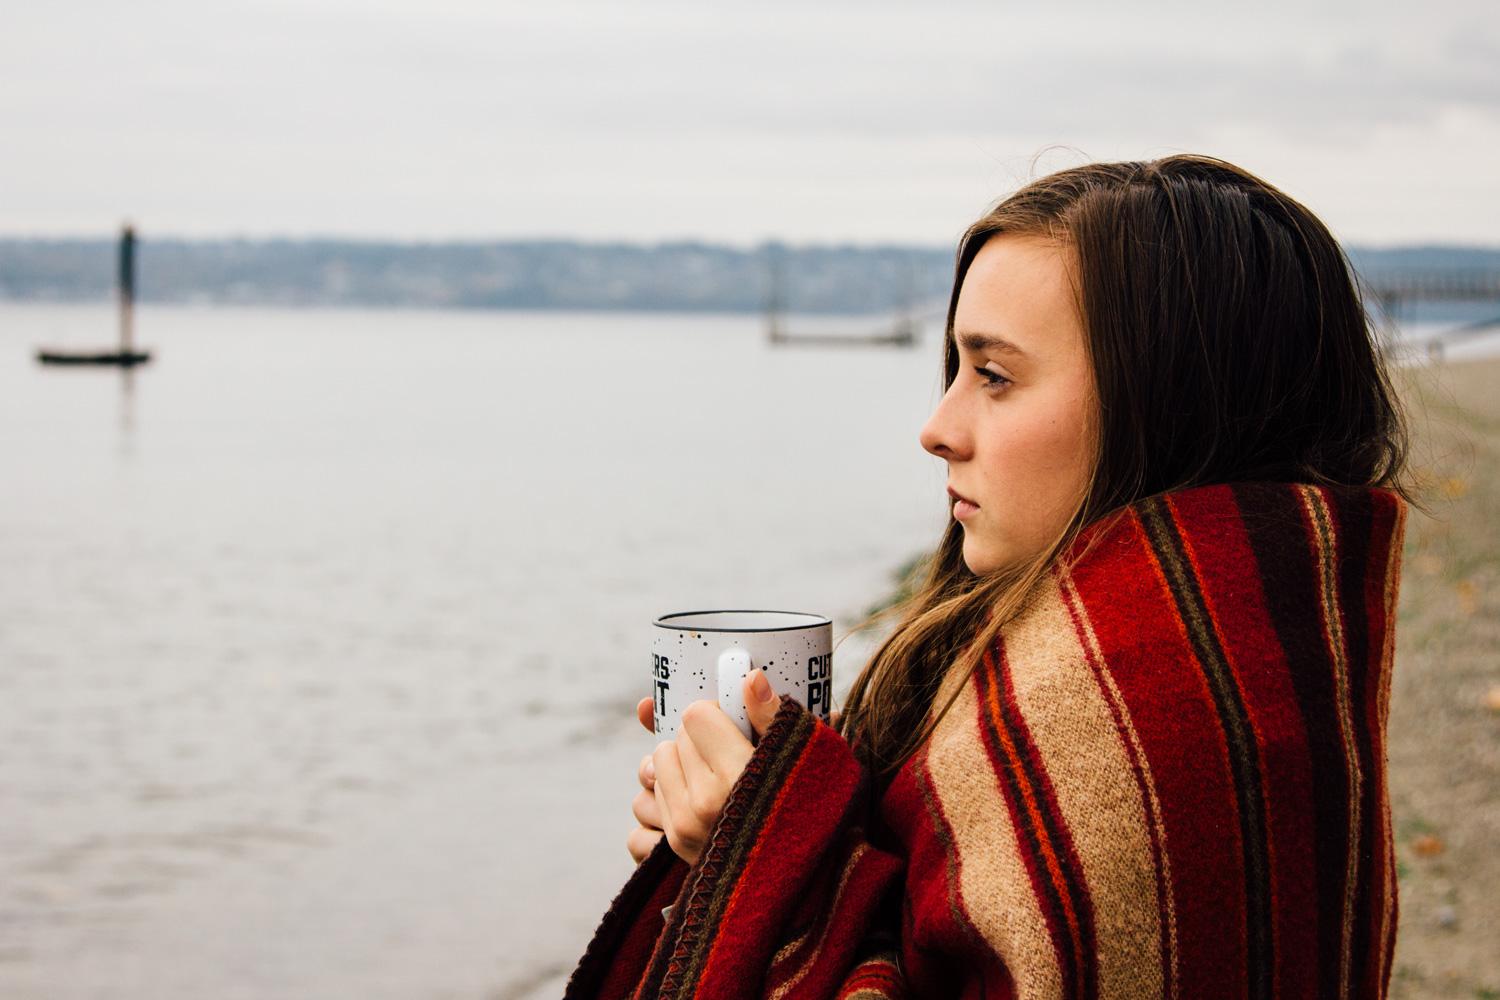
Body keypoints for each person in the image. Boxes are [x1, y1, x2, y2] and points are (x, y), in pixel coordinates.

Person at [565, 154, 1410, 1000]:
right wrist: (730, 853)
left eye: (995, 375)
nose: (936, 428)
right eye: (956, 370)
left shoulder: (1145, 727)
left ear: (1170, 403)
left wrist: (768, 869)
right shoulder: (1248, 647)